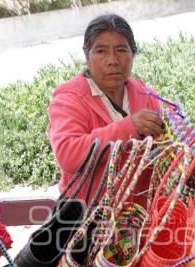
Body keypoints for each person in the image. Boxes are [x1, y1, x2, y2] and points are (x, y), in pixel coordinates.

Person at [48, 13, 164, 204]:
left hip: (139, 215)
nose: (112, 60)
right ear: (87, 57)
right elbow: (69, 155)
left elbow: (160, 154)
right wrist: (129, 127)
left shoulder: (146, 95)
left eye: (121, 50)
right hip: (88, 217)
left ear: (132, 54)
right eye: (101, 51)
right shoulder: (69, 100)